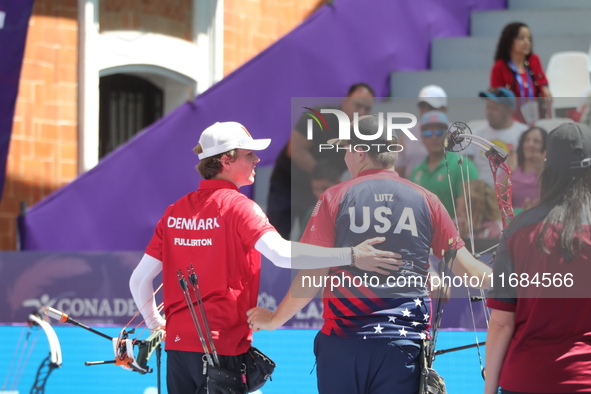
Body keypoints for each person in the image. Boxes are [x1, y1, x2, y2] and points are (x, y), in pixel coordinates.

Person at [128, 121, 402, 394]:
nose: (257, 159)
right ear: (226, 160)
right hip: (222, 349)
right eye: (249, 154)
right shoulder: (239, 207)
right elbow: (281, 254)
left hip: (178, 349)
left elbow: (139, 281)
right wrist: (351, 254)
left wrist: (156, 324)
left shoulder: (175, 211)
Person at [248, 115, 492, 394]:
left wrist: (274, 319)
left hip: (344, 344)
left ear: (360, 152)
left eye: (347, 150)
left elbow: (312, 276)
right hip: (403, 347)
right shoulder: (426, 199)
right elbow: (468, 269)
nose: (345, 158)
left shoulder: (334, 197)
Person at [485, 122, 591, 394]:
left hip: (524, 379)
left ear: (548, 169)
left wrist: (488, 390)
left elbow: (500, 322)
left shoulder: (518, 231)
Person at [267, 83, 375, 239]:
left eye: (367, 109)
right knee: (275, 239)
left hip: (318, 190)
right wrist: (325, 177)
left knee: (314, 239)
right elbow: (295, 150)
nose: (361, 112)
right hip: (288, 185)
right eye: (357, 105)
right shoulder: (320, 116)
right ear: (345, 101)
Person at [409, 110, 478, 218]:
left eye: (439, 132)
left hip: (454, 232)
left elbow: (473, 207)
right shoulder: (417, 171)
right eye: (428, 133)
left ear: (448, 136)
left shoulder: (463, 165)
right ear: (422, 138)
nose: (434, 137)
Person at [490, 22, 551, 124]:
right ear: (509, 41)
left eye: (529, 38)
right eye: (521, 38)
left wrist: (545, 88)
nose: (527, 42)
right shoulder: (499, 67)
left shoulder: (534, 60)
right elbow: (498, 98)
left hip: (537, 119)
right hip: (511, 122)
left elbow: (542, 81)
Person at [470, 88, 528, 187]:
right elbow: (466, 165)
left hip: (511, 196)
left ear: (509, 110)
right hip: (479, 196)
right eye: (488, 107)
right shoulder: (476, 133)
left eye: (495, 108)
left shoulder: (524, 133)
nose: (489, 112)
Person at [397, 84, 448, 179]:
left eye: (432, 107)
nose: (427, 110)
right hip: (413, 189)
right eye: (423, 106)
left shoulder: (457, 134)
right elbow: (399, 171)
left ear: (444, 109)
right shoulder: (407, 134)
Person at [511, 126, 547, 211]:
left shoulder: (548, 170)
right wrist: (509, 171)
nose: (530, 144)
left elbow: (548, 196)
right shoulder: (514, 163)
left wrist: (540, 170)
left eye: (536, 141)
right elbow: (496, 198)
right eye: (527, 140)